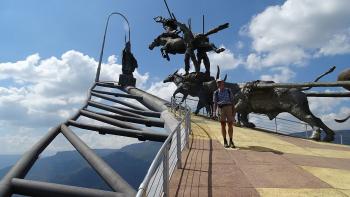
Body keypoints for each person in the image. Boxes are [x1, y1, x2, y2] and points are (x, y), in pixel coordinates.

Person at [213, 79, 235, 148]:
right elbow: (215, 103)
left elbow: (232, 101)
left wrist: (234, 112)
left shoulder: (228, 90)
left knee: (230, 124)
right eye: (217, 83)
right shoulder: (216, 92)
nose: (219, 84)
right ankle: (225, 141)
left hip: (229, 107)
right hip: (221, 108)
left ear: (223, 83)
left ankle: (231, 141)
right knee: (223, 125)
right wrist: (214, 112)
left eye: (220, 83)